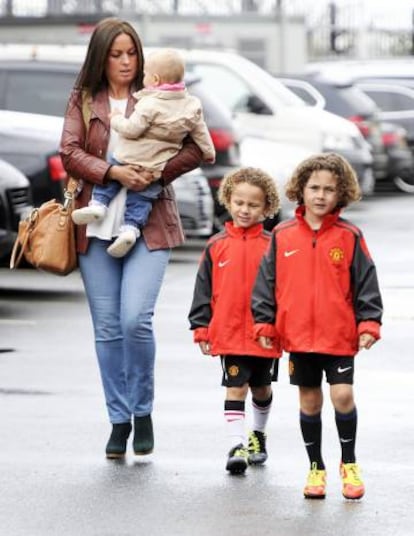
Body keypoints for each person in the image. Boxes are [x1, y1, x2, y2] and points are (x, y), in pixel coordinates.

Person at [60, 17, 204, 460]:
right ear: (101, 58)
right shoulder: (85, 99)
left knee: (133, 319)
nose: (125, 62)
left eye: (132, 54)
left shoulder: (166, 95)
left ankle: (143, 411)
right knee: (107, 330)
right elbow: (68, 151)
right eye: (116, 54)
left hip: (149, 222)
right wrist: (112, 172)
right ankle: (118, 421)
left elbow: (198, 148)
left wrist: (156, 173)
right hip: (95, 224)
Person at [251, 153, 383, 499]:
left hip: (338, 335)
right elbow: (266, 283)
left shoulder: (350, 236)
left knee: (342, 395)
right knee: (309, 403)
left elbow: (366, 282)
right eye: (314, 188)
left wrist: (369, 321)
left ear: (342, 194)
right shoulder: (281, 235)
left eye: (329, 189)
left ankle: (349, 464)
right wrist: (265, 324)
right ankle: (316, 468)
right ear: (301, 189)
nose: (321, 195)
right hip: (296, 336)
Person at [71, 47, 215, 258]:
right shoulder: (191, 104)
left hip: (129, 156)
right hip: (155, 167)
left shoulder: (149, 103)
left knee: (112, 171)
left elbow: (132, 129)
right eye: (116, 54)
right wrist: (209, 152)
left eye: (145, 73)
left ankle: (99, 205)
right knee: (141, 200)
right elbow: (201, 133)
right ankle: (130, 229)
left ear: (155, 79)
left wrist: (117, 119)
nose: (127, 62)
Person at [188, 167, 282, 475]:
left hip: (264, 333)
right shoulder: (216, 245)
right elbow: (203, 288)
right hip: (229, 333)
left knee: (261, 389)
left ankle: (258, 434)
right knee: (235, 387)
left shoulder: (273, 245)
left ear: (266, 208)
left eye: (253, 205)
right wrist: (201, 326)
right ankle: (236, 444)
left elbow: (285, 289)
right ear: (228, 200)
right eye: (239, 202)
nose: (245, 210)